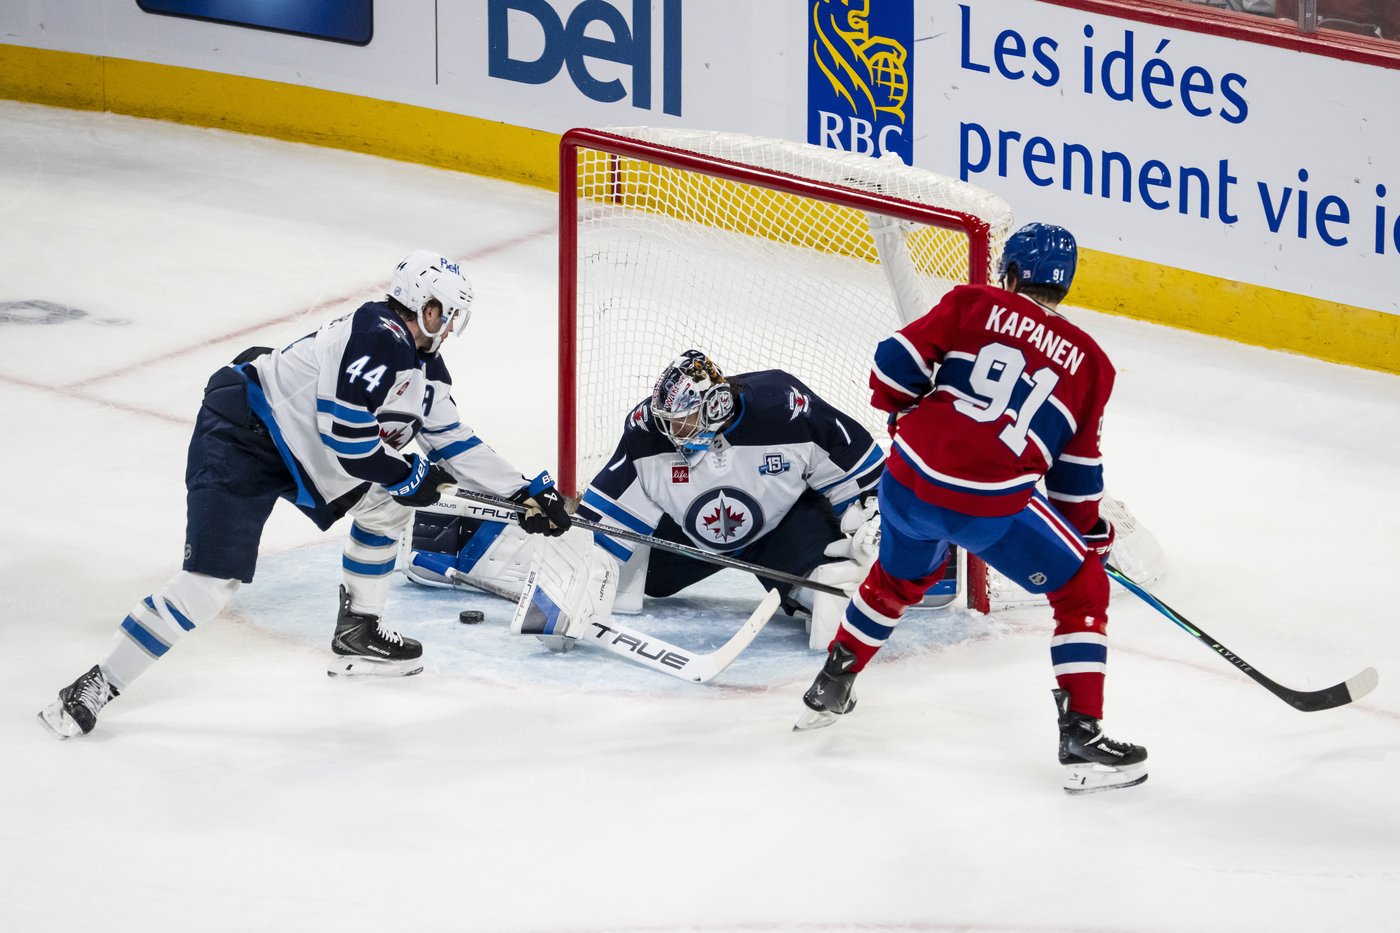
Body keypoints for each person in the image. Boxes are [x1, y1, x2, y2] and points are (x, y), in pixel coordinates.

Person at [38, 251, 571, 739]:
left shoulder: (425, 370)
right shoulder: (377, 330)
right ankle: (97, 683)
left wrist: (522, 491)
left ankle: (358, 632)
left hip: (303, 455)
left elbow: (454, 440)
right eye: (441, 313)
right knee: (209, 585)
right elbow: (347, 436)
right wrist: (406, 476)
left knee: (386, 508)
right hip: (244, 436)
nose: (447, 327)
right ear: (417, 302)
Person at [794, 223, 1149, 796]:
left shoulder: (972, 301)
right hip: (986, 506)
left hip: (906, 480)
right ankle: (1081, 736)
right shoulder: (1092, 365)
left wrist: (903, 414)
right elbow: (1076, 481)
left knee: (897, 577)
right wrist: (1091, 538)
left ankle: (831, 684)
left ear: (1007, 271)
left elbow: (890, 365)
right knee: (1083, 589)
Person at [409, 349, 889, 646]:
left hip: (786, 527)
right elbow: (601, 524)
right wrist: (573, 588)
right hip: (689, 535)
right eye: (665, 420)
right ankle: (458, 543)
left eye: (680, 422)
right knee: (633, 583)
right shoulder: (649, 433)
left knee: (835, 601)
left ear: (715, 407)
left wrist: (868, 521)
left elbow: (865, 474)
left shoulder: (785, 406)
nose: (669, 432)